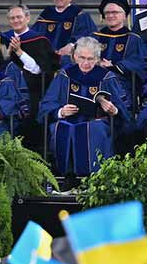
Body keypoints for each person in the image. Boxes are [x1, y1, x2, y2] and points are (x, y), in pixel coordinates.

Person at [38, 37, 130, 176]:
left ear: (97, 59)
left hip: (97, 122)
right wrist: (61, 111)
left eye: (90, 59)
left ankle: (95, 178)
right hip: (69, 120)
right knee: (60, 127)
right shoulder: (65, 75)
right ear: (75, 57)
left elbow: (122, 108)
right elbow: (48, 103)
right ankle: (67, 177)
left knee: (92, 129)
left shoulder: (107, 77)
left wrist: (114, 110)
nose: (86, 63)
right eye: (82, 58)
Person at [0, 5, 60, 152]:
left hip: (33, 92)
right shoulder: (3, 39)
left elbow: (40, 69)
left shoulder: (40, 40)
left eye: (19, 17)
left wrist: (19, 52)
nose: (16, 20)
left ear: (27, 18)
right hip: (8, 92)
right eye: (12, 18)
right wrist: (5, 53)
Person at [93, 0, 147, 114]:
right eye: (107, 13)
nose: (110, 15)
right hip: (95, 84)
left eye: (115, 12)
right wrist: (96, 62)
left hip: (123, 86)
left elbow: (139, 63)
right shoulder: (94, 38)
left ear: (124, 16)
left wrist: (114, 66)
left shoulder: (133, 39)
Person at [33, 0, 96, 64]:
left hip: (69, 58)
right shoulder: (46, 14)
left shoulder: (79, 14)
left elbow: (88, 34)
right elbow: (35, 35)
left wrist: (72, 45)